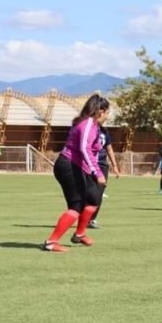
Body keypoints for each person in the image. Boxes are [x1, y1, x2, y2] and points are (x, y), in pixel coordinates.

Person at [43, 94, 109, 252]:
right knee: (76, 205)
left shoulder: (93, 126)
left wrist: (92, 172)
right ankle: (51, 242)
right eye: (107, 113)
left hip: (79, 167)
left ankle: (79, 235)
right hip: (68, 166)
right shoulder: (87, 124)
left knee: (93, 198)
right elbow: (84, 149)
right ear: (100, 111)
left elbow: (90, 152)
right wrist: (97, 172)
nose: (107, 116)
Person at [88, 125, 120, 229]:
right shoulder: (87, 128)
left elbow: (109, 148)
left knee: (99, 193)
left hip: (102, 165)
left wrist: (115, 166)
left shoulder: (104, 131)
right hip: (88, 163)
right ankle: (82, 216)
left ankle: (92, 219)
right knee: (87, 191)